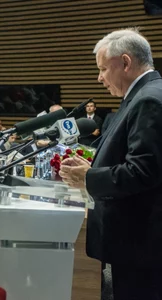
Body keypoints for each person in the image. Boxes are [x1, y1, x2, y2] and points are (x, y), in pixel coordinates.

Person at [59, 28, 162, 299]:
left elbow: (144, 172)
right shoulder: (146, 95)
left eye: (104, 69)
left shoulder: (149, 99)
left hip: (141, 243)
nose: (100, 77)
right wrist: (92, 166)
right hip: (140, 242)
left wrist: (89, 178)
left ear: (125, 63)